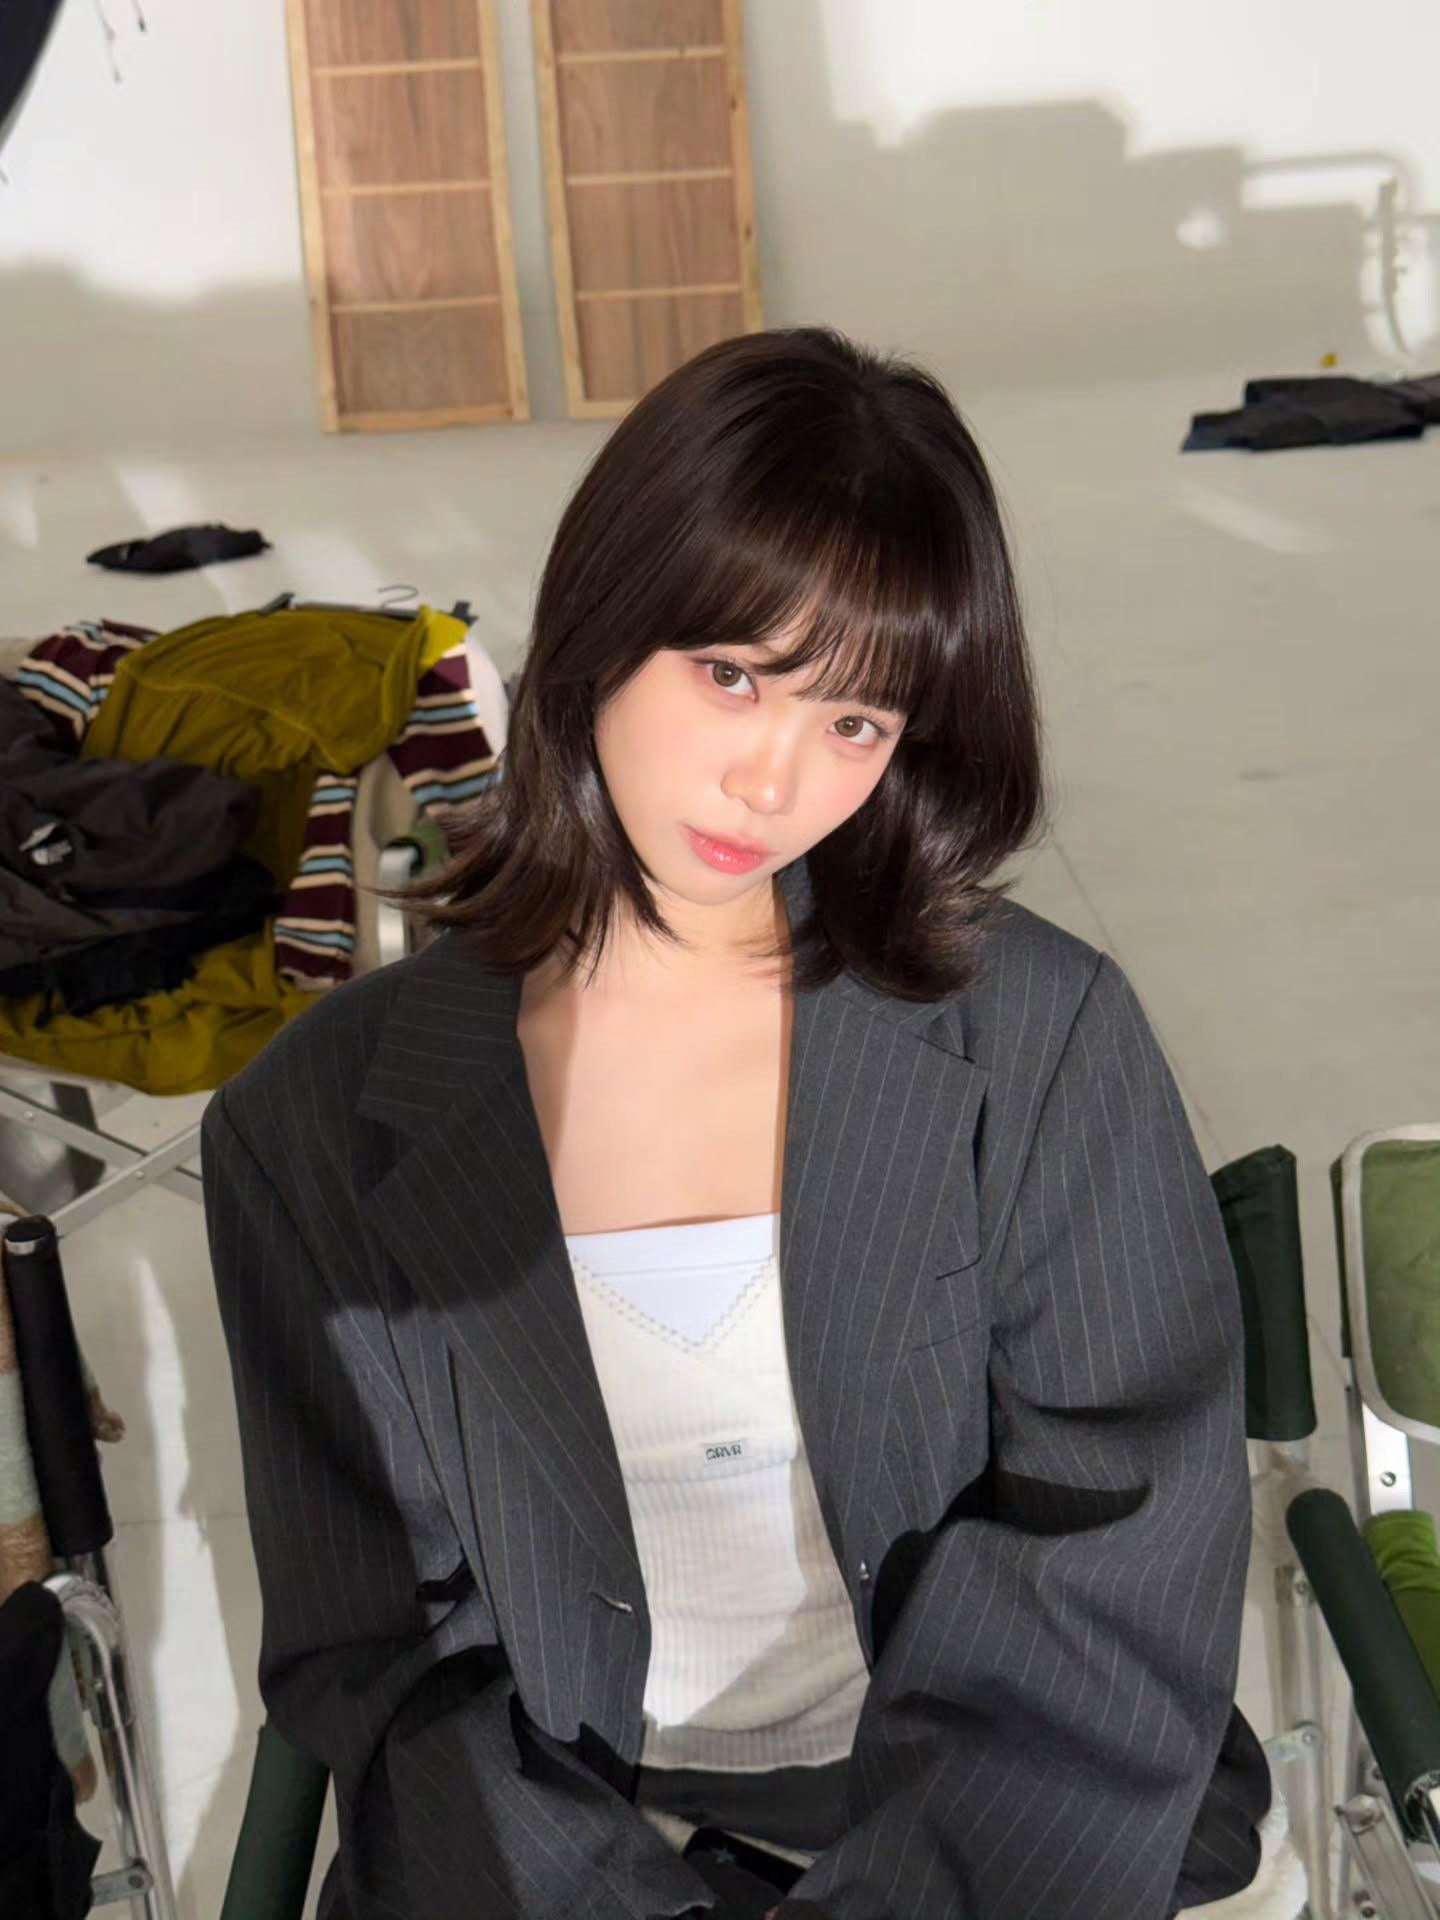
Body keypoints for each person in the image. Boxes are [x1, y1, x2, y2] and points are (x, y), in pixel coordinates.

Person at [201, 327, 1274, 1920]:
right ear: (606, 622)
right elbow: (382, 1653)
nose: (774, 782)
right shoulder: (313, 1125)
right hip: (552, 1856)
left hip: (984, 1830)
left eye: (858, 722)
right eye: (734, 675)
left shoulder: (1038, 1038)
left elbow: (1113, 1553)